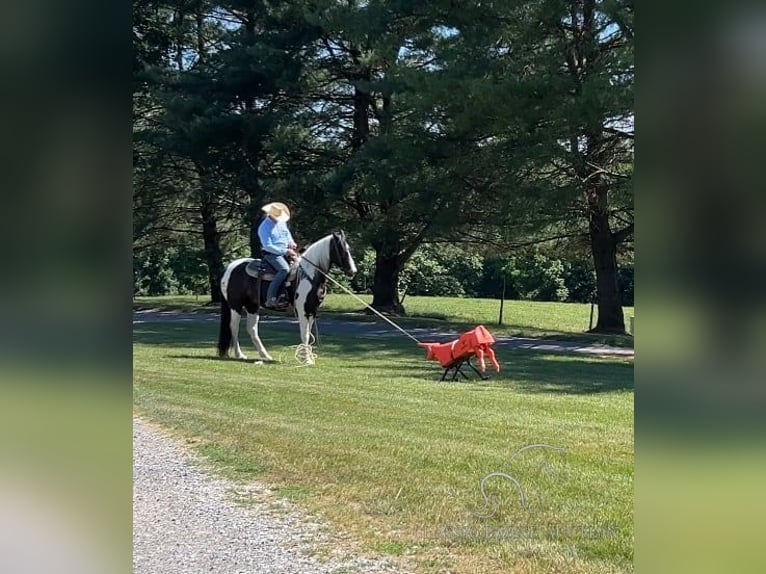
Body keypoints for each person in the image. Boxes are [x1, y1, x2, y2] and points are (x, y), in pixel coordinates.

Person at [257, 202, 298, 309]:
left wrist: (292, 242)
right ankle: (270, 298)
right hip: (272, 254)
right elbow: (268, 246)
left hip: (286, 251)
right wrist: (285, 251)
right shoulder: (264, 227)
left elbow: (287, 234)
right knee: (284, 269)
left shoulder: (281, 222)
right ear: (270, 214)